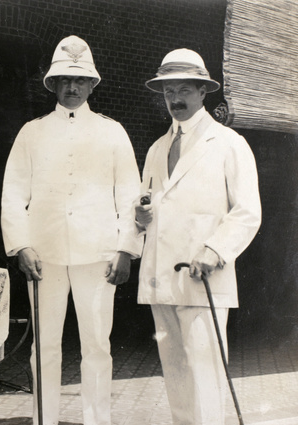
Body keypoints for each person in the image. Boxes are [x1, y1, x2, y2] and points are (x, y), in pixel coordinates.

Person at [1, 35, 142, 425]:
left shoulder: (113, 132)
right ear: (53, 83)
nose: (73, 87)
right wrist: (21, 245)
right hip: (44, 255)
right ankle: (43, 419)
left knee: (97, 345)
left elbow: (130, 195)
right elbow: (12, 192)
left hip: (98, 255)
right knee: (45, 344)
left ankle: (98, 420)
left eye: (80, 80)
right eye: (65, 79)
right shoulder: (32, 132)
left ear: (93, 84)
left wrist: (126, 249)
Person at [134, 48, 261, 424]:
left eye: (185, 89)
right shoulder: (158, 148)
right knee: (175, 375)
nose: (176, 99)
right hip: (162, 277)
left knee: (205, 376)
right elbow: (146, 206)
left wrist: (215, 249)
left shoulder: (228, 143)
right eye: (169, 91)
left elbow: (248, 211)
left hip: (203, 276)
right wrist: (141, 215)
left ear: (203, 91)